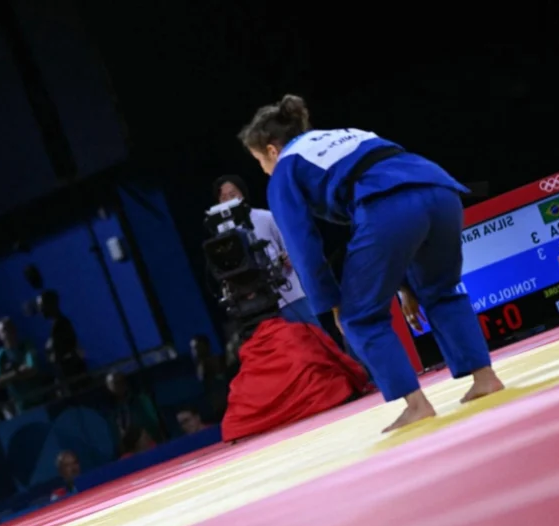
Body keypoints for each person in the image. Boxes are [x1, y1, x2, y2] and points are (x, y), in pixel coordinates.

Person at [238, 95, 504, 431]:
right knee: (441, 291)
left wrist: (331, 304)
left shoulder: (285, 169)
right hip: (440, 190)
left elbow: (303, 245)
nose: (263, 171)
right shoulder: (348, 135)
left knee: (358, 316)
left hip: (387, 205)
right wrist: (406, 286)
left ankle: (417, 405)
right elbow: (401, 205)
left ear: (271, 150)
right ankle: (485, 378)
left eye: (260, 161)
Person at [213, 175, 320, 327]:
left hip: (290, 294)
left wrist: (289, 257)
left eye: (233, 194)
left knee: (315, 336)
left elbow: (289, 247)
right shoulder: (223, 235)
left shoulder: (265, 217)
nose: (229, 200)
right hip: (258, 305)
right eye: (224, 197)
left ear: (242, 194)